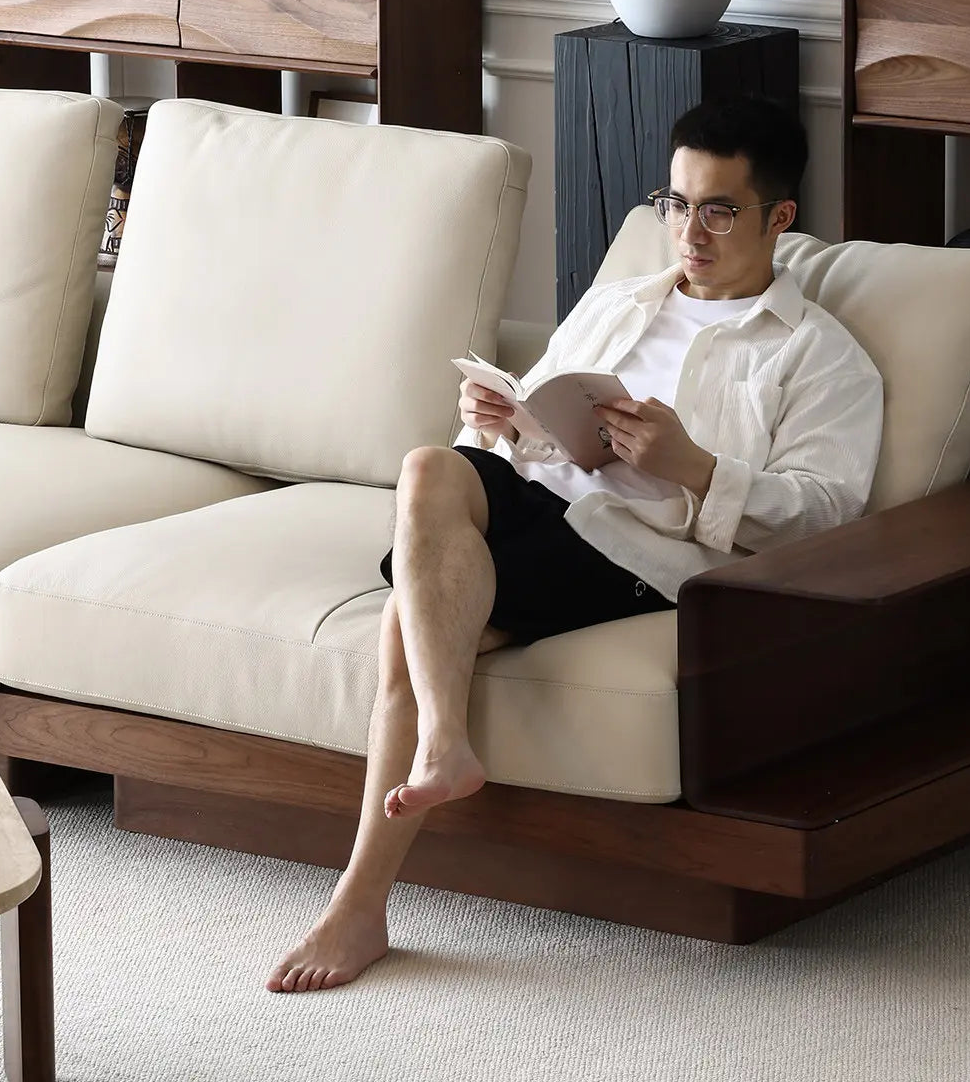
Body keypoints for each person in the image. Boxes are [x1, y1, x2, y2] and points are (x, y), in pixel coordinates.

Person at [266, 95, 884, 993]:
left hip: (636, 551)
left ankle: (357, 906)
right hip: (542, 498)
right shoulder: (620, 301)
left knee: (410, 621)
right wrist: (501, 425)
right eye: (676, 204)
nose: (690, 232)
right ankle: (442, 744)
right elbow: (539, 427)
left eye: (719, 209)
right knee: (433, 464)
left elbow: (830, 514)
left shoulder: (819, 356)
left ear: (779, 217)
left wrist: (697, 467)